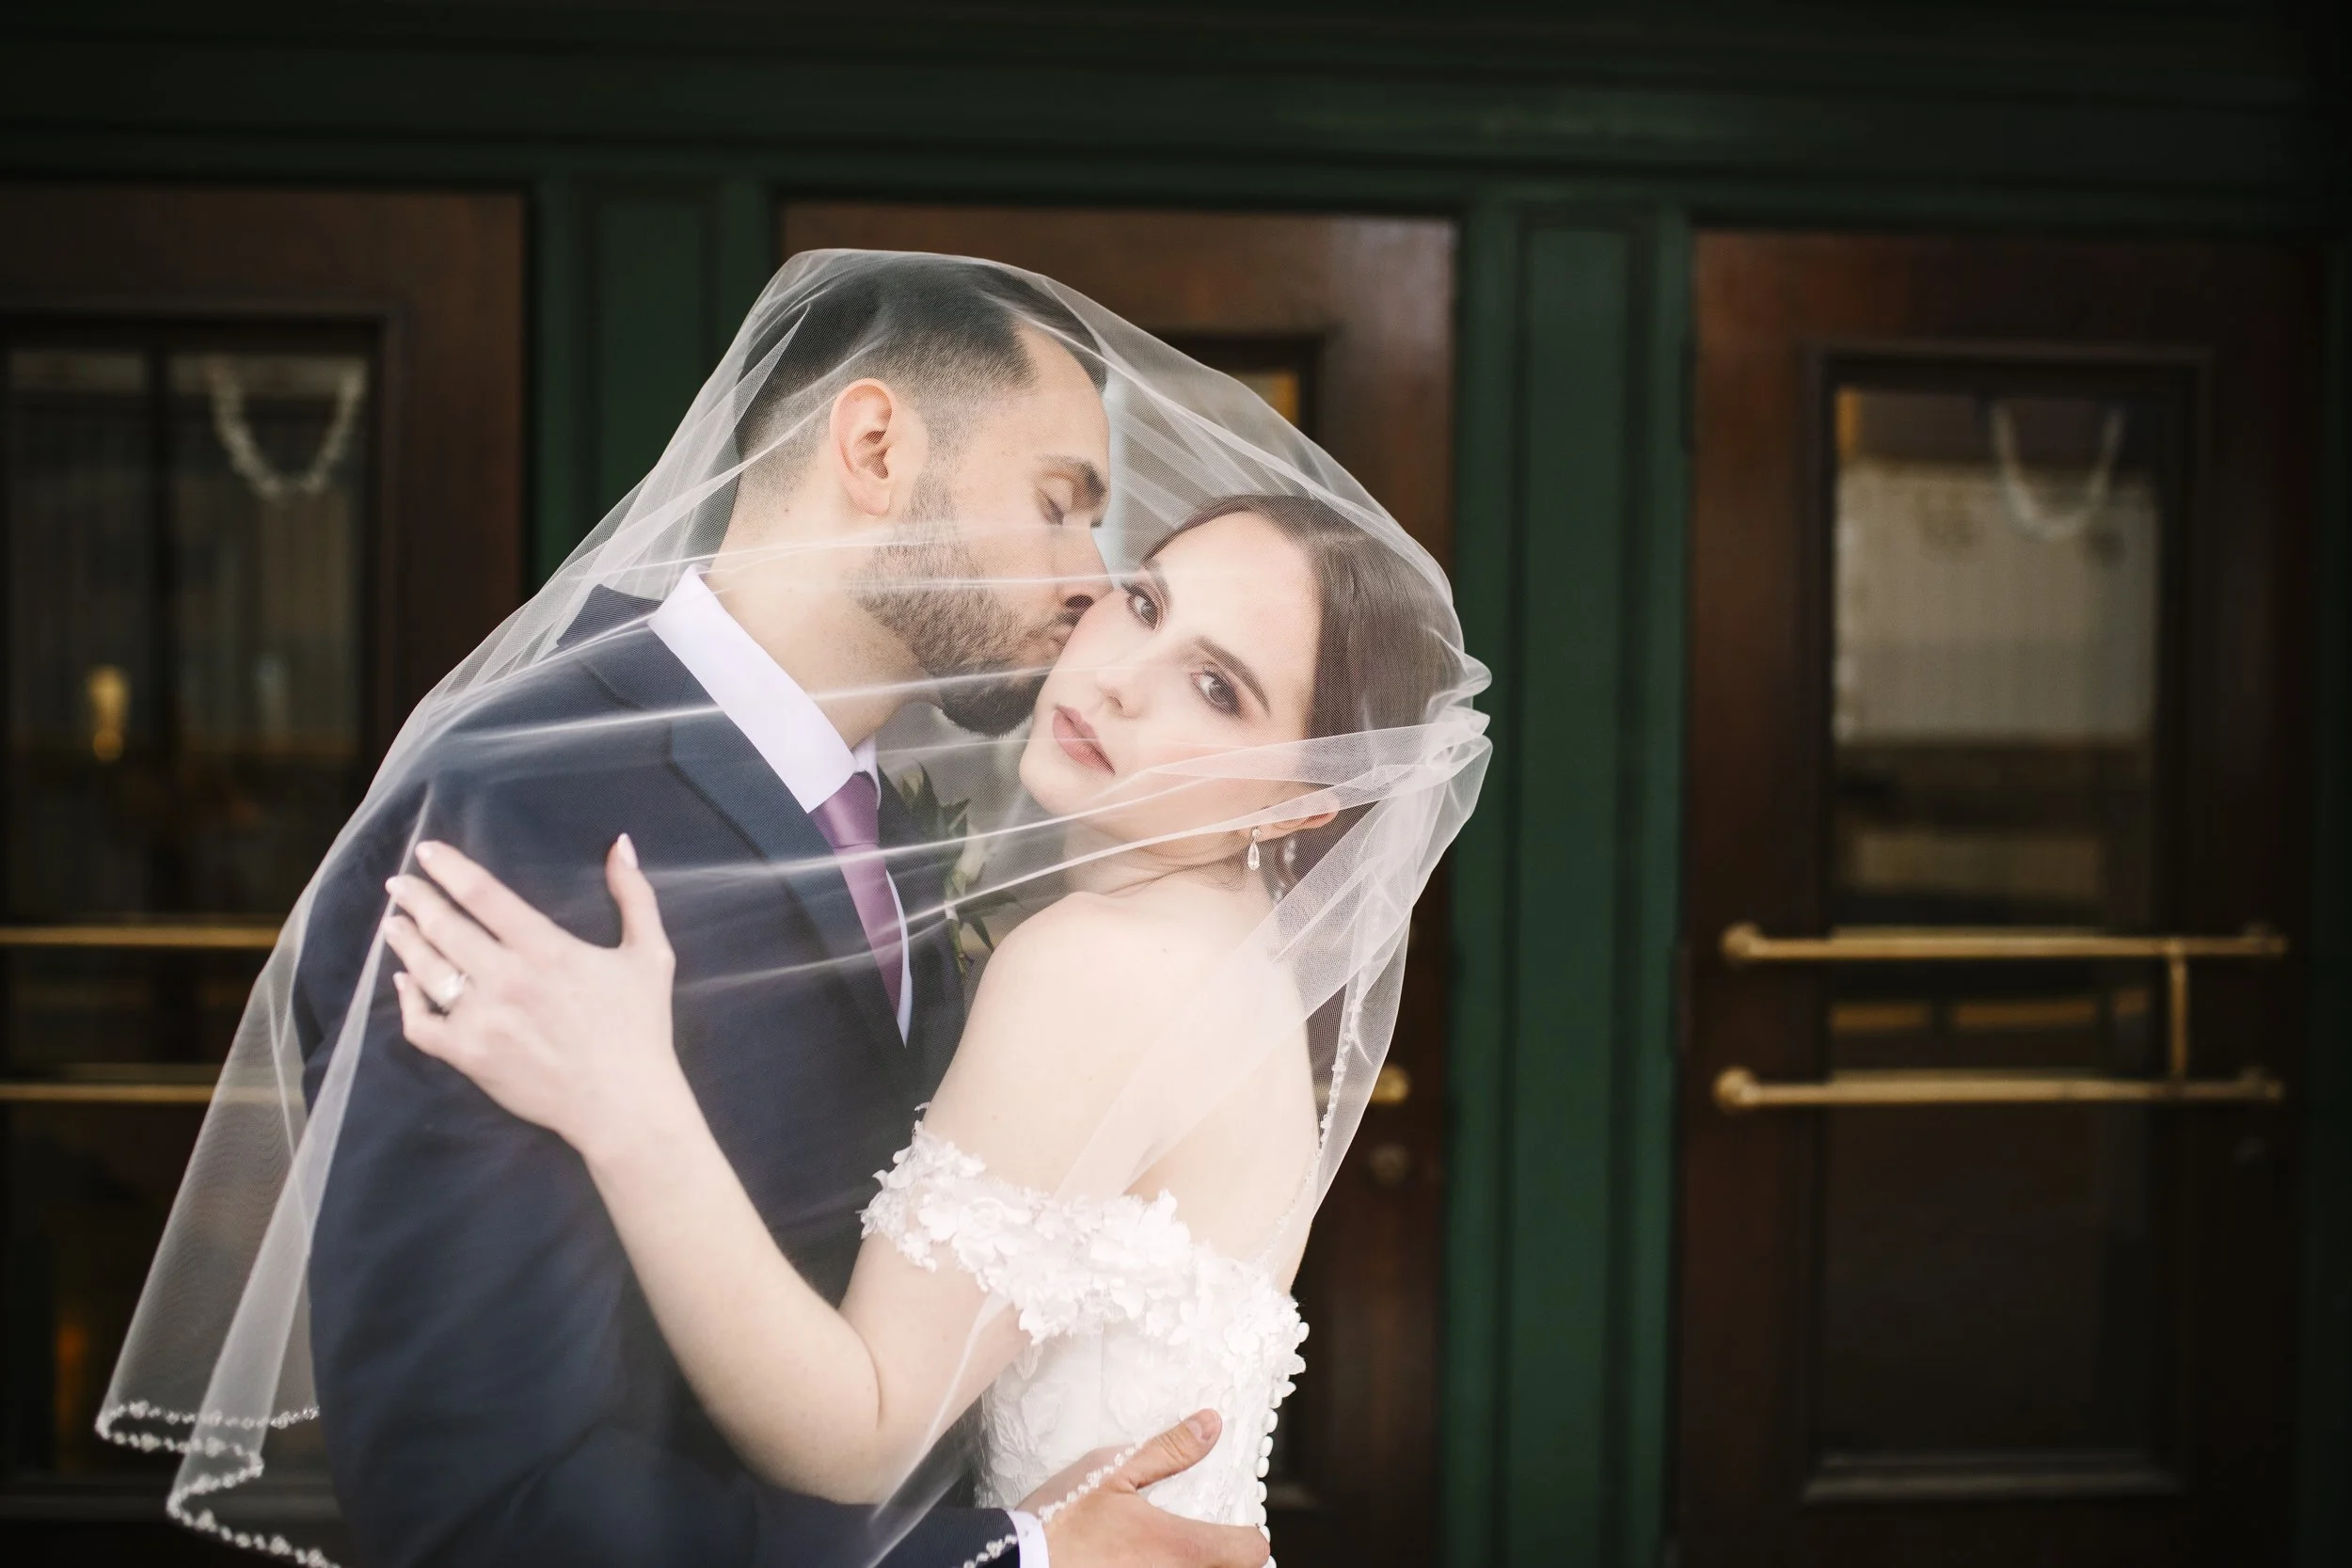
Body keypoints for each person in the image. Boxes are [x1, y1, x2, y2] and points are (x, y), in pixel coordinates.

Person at [100, 252, 1487, 1568]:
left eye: (1218, 684)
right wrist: (1024, 1554)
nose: (1087, 597)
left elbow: (894, 1393)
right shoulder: (527, 816)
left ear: (1305, 799)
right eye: (1067, 508)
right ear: (876, 448)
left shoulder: (1007, 886)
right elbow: (477, 1501)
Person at [378, 491, 1455, 1544]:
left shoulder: (1107, 963)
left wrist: (628, 1102)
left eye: (1216, 688)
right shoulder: (1232, 952)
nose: (1120, 679)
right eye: (1142, 602)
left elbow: (859, 1441)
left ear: (1305, 799)